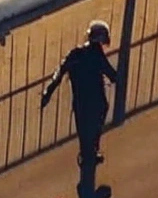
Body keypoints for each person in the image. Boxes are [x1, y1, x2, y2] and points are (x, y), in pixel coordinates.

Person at [42, 20, 119, 168]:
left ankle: (86, 153)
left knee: (82, 128)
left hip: (80, 99)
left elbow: (60, 72)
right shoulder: (97, 54)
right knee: (101, 113)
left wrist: (48, 92)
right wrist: (117, 77)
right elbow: (111, 74)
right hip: (96, 99)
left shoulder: (75, 53)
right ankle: (93, 149)